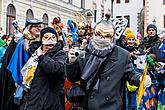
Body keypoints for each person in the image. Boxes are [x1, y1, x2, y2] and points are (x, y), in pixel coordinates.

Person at [66, 16, 151, 110]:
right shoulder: (86, 51)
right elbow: (73, 77)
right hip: (86, 105)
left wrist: (141, 79)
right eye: (98, 34)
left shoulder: (122, 55)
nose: (102, 38)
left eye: (107, 36)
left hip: (110, 106)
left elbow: (131, 74)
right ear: (94, 33)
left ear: (113, 37)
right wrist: (71, 62)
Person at [20, 27, 66, 110]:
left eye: (53, 37)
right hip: (32, 98)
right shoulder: (34, 52)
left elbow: (56, 70)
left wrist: (42, 57)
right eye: (46, 37)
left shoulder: (60, 54)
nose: (50, 40)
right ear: (41, 39)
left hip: (50, 101)